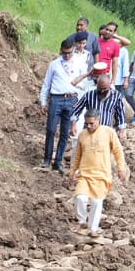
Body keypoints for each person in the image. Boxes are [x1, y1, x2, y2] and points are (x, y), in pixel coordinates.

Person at [68, 109, 129, 238]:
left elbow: (118, 151)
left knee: (96, 202)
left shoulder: (108, 132)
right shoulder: (82, 135)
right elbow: (77, 156)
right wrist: (72, 172)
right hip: (84, 174)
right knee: (80, 198)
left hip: (102, 175)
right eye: (87, 124)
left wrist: (121, 168)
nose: (89, 126)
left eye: (91, 123)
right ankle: (82, 221)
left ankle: (93, 229)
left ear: (98, 120)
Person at [39, 38, 91, 173]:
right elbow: (46, 84)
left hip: (72, 99)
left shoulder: (79, 63)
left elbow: (84, 84)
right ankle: (47, 159)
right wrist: (43, 102)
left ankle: (58, 161)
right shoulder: (54, 64)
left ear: (73, 50)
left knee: (65, 132)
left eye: (69, 53)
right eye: (64, 53)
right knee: (50, 130)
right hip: (56, 98)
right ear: (60, 51)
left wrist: (79, 100)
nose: (67, 55)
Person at [73, 65, 128, 131]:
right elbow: (76, 110)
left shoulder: (116, 96)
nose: (102, 91)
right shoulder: (89, 95)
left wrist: (121, 130)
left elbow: (120, 113)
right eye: (99, 88)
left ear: (110, 85)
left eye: (104, 89)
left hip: (106, 131)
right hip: (89, 130)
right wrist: (73, 124)